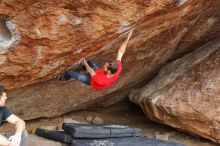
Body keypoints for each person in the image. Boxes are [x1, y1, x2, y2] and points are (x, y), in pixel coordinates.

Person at [57, 30, 133, 90]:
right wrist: (128, 38)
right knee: (90, 61)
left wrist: (85, 63)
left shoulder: (100, 81)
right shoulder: (117, 68)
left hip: (91, 81)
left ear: (109, 71)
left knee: (70, 72)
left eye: (105, 66)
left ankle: (64, 78)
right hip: (98, 73)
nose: (103, 65)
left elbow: (91, 71)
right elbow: (121, 52)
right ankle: (80, 69)